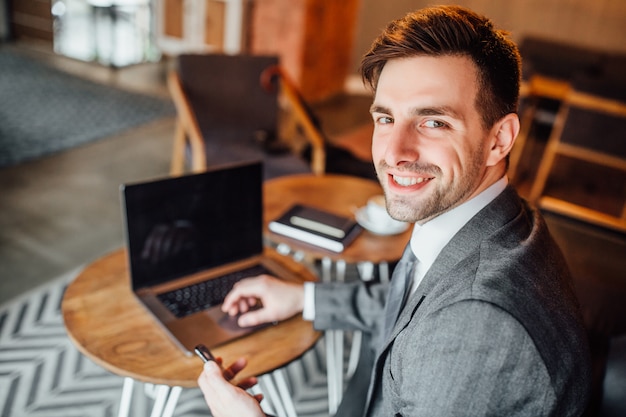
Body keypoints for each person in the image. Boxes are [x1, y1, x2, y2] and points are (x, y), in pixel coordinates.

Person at [197, 5, 592, 416]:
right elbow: (420, 301)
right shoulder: (493, 217)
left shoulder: (478, 324)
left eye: (433, 122)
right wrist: (304, 298)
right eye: (385, 118)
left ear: (499, 139)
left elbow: (449, 317)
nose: (394, 152)